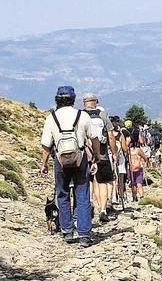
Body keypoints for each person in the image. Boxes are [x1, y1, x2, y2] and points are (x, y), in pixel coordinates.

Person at [40, 86, 98, 248]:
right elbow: (94, 138)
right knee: (82, 194)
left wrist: (44, 164)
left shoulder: (51, 117)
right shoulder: (82, 115)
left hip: (60, 160)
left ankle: (67, 231)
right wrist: (96, 157)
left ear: (57, 99)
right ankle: (84, 234)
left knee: (63, 193)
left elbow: (46, 145)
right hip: (80, 158)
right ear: (73, 99)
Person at [82, 93, 118, 223]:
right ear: (95, 102)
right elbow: (111, 136)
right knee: (102, 182)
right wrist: (114, 153)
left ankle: (90, 202)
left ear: (83, 103)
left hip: (85, 155)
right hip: (102, 154)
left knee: (90, 181)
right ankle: (102, 210)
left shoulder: (80, 115)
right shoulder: (102, 115)